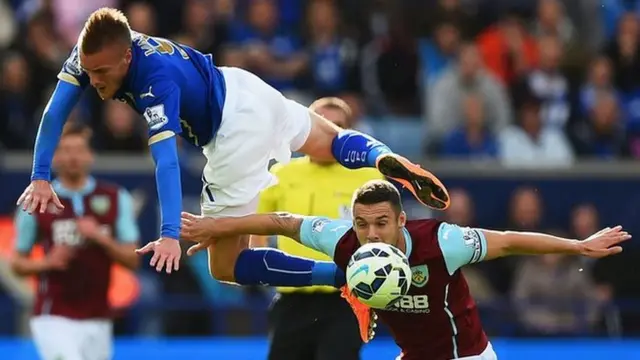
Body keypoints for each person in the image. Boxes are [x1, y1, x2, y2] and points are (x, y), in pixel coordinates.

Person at [15, 8, 450, 291]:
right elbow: (55, 112)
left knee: (226, 266)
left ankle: (346, 277)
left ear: (127, 58)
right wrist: (39, 174)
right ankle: (383, 158)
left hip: (230, 133)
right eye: (89, 71)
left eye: (102, 73)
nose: (94, 81)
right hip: (244, 86)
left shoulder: (154, 83)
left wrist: (169, 234)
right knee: (330, 138)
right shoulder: (93, 52)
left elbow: (166, 161)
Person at [180, 180, 631, 360]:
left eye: (381, 223)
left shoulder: (442, 241)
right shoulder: (342, 240)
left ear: (400, 220)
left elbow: (510, 241)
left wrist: (579, 245)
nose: (371, 234)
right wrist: (218, 226)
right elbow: (281, 222)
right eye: (362, 224)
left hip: (467, 358)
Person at [256, 97, 382, 360]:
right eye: (321, 125)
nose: (328, 134)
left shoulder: (368, 177)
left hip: (345, 297)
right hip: (292, 297)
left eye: (337, 127)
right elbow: (258, 227)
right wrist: (262, 268)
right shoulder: (281, 174)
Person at [10, 123, 140, 360]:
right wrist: (47, 263)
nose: (72, 157)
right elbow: (17, 263)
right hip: (54, 314)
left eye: (79, 150)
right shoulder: (37, 202)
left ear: (91, 155)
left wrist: (101, 238)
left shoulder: (114, 197)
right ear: (54, 156)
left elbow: (133, 259)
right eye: (65, 150)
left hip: (98, 316)